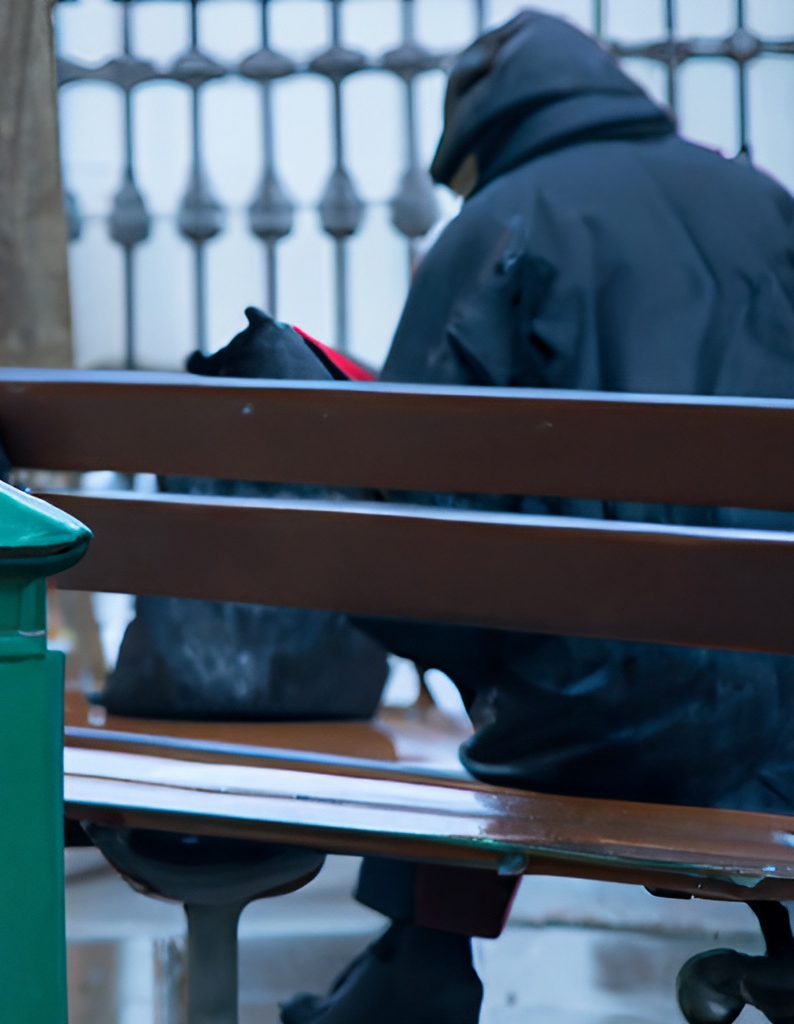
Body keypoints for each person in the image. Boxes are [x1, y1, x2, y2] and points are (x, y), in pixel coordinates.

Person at [279, 9, 794, 1023]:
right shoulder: (763, 206)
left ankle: (419, 965)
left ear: (477, 138)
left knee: (527, 657)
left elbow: (408, 538)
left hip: (594, 720)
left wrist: (477, 657)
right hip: (790, 702)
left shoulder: (502, 224)